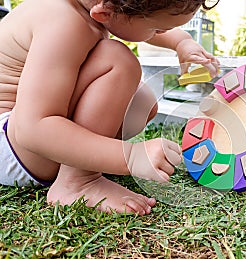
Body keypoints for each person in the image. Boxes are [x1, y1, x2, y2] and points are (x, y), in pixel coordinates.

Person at [0, 0, 220, 215]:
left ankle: (83, 161)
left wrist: (181, 42)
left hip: (22, 136)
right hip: (11, 146)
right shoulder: (63, 23)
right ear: (105, 14)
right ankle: (78, 182)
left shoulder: (90, 10)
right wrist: (131, 156)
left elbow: (137, 22)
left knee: (141, 102)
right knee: (117, 60)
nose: (159, 33)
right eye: (157, 29)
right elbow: (33, 129)